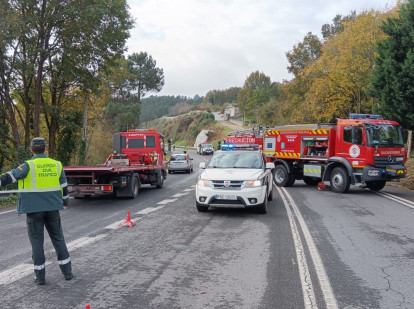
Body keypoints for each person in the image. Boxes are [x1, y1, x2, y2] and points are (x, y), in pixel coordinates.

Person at [0, 137, 72, 285]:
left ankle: (40, 277)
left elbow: (9, 177)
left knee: (37, 242)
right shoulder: (56, 165)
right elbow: (64, 185)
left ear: (32, 149)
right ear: (45, 149)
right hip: (52, 209)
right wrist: (65, 202)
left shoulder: (28, 166)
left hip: (33, 211)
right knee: (58, 239)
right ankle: (67, 272)